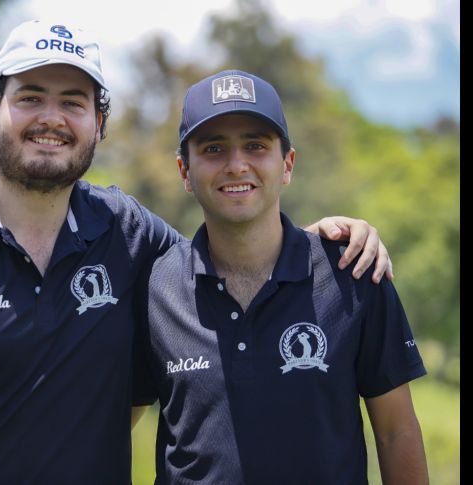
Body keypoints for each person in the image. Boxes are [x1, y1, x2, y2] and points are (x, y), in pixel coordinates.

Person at [0, 20, 392, 484]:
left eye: (74, 101)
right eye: (31, 97)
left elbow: (233, 247)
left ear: (99, 123)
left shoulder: (130, 233)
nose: (52, 117)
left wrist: (320, 239)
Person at [132, 69, 429, 484]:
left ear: (287, 164)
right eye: (214, 148)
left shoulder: (354, 272)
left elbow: (397, 433)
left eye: (255, 146)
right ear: (184, 171)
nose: (237, 165)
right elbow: (115, 426)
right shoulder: (154, 288)